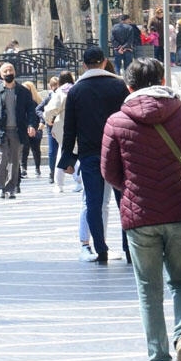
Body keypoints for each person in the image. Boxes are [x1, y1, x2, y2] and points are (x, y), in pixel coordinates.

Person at [101, 58, 181, 361]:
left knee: (149, 291)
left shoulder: (117, 121)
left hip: (139, 216)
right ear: (162, 78)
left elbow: (109, 172)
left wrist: (133, 189)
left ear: (128, 86)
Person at [60, 46, 129, 263]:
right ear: (104, 62)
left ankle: (101, 249)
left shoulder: (76, 91)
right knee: (124, 202)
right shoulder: (119, 85)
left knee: (94, 202)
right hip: (117, 152)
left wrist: (67, 160)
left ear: (84, 64)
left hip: (90, 154)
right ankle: (129, 249)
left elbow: (69, 128)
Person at [0, 62, 38, 199]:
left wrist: (31, 125)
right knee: (1, 157)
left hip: (18, 131)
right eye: (5, 71)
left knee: (14, 159)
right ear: (1, 74)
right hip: (0, 130)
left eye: (10, 70)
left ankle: (11, 188)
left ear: (14, 72)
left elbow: (31, 109)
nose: (8, 73)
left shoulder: (23, 91)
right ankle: (0, 186)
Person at [36, 75, 60, 184]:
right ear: (50, 87)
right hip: (51, 127)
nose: (55, 88)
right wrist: (45, 118)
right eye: (54, 85)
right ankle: (52, 172)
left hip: (61, 126)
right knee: (52, 152)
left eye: (57, 85)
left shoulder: (63, 96)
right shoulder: (49, 97)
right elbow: (38, 109)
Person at [20, 81, 43, 178]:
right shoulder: (21, 101)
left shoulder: (37, 101)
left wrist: (40, 125)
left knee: (36, 149)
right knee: (24, 149)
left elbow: (40, 113)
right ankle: (23, 168)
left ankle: (37, 168)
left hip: (36, 127)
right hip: (24, 127)